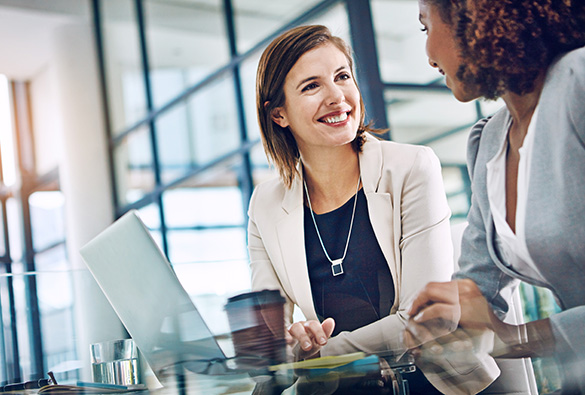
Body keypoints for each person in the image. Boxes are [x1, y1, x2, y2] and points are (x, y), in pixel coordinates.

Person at [248, 24, 498, 394]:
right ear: (278, 115)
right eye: (312, 86)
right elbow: (268, 341)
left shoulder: (412, 167)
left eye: (342, 76)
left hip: (434, 383)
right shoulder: (265, 206)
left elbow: (426, 320)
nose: (337, 96)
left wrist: (324, 354)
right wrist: (292, 341)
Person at [405, 0, 585, 393]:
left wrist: (513, 336)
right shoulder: (490, 140)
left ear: (472, 15)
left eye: (425, 27)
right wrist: (444, 326)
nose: (429, 55)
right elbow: (476, 291)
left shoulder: (580, 82)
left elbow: (500, 331)